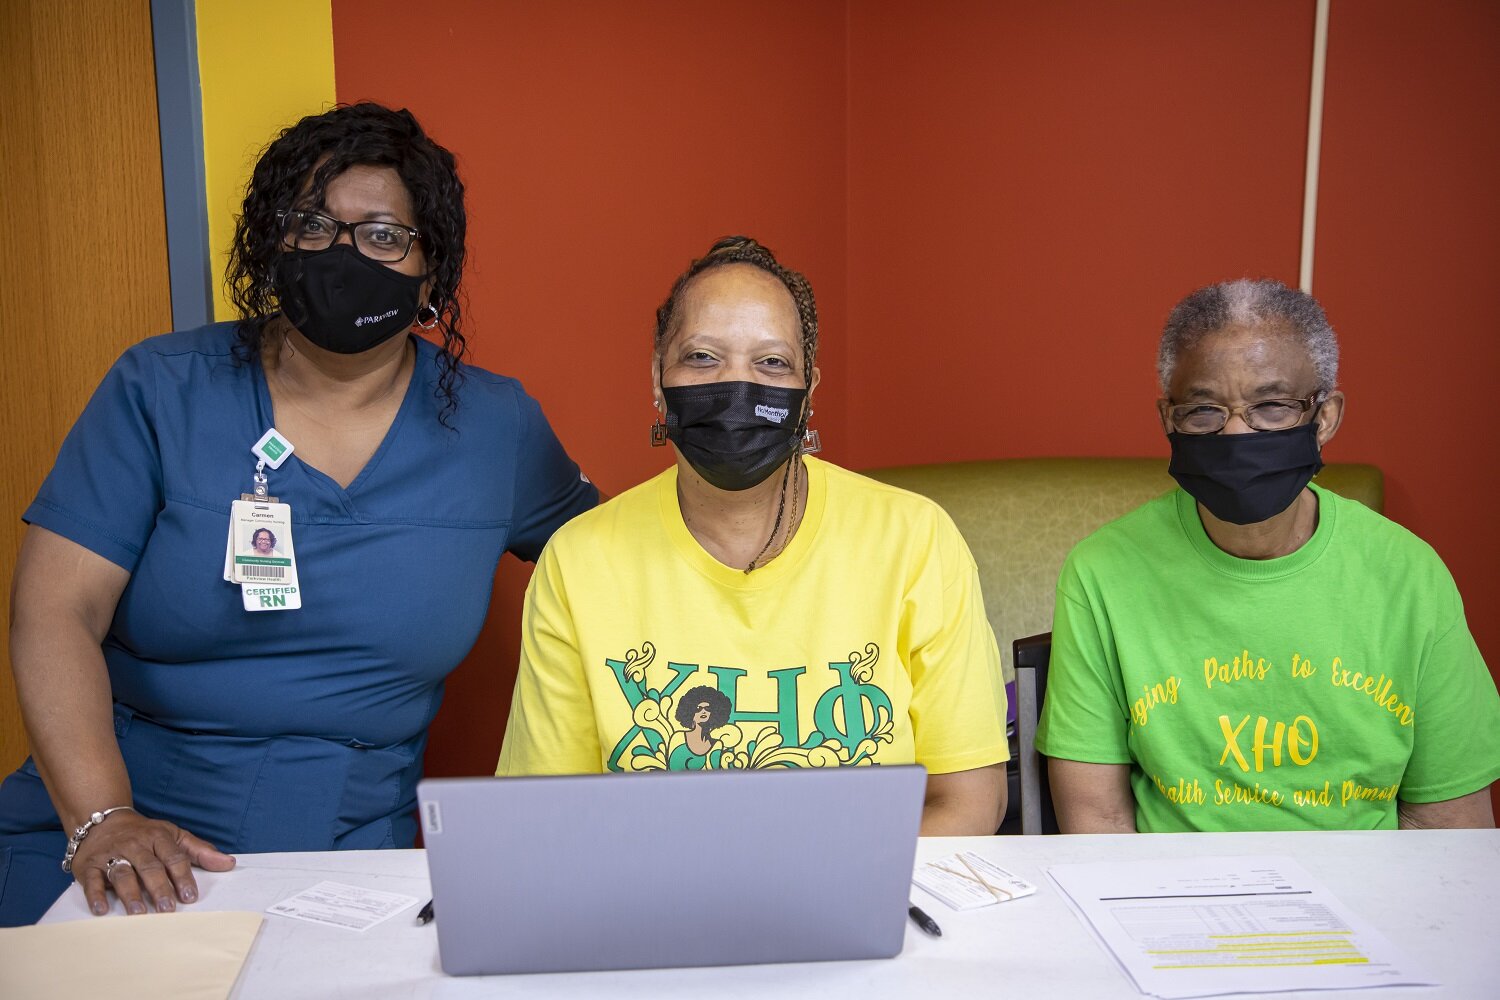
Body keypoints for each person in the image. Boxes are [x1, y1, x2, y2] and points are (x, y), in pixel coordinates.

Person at [0, 103, 598, 925]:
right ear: (272, 242)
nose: (344, 252)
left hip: (347, 857)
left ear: (433, 270)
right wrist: (104, 817)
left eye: (385, 234)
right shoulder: (160, 389)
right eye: (313, 223)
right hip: (117, 827)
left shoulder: (496, 428)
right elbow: (53, 608)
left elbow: (617, 564)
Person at [496, 237, 1008, 834]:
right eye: (704, 357)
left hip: (861, 905)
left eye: (771, 362)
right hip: (655, 910)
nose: (737, 387)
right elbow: (543, 816)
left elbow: (970, 801)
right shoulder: (579, 560)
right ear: (659, 381)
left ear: (808, 391)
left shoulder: (915, 539)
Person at [1035, 278, 1499, 833]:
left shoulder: (1409, 575)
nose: (1236, 432)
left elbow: (1448, 823)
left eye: (1271, 407)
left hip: (1364, 905)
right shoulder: (1102, 573)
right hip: (1171, 902)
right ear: (1168, 419)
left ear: (1324, 417)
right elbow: (1098, 819)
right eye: (1204, 410)